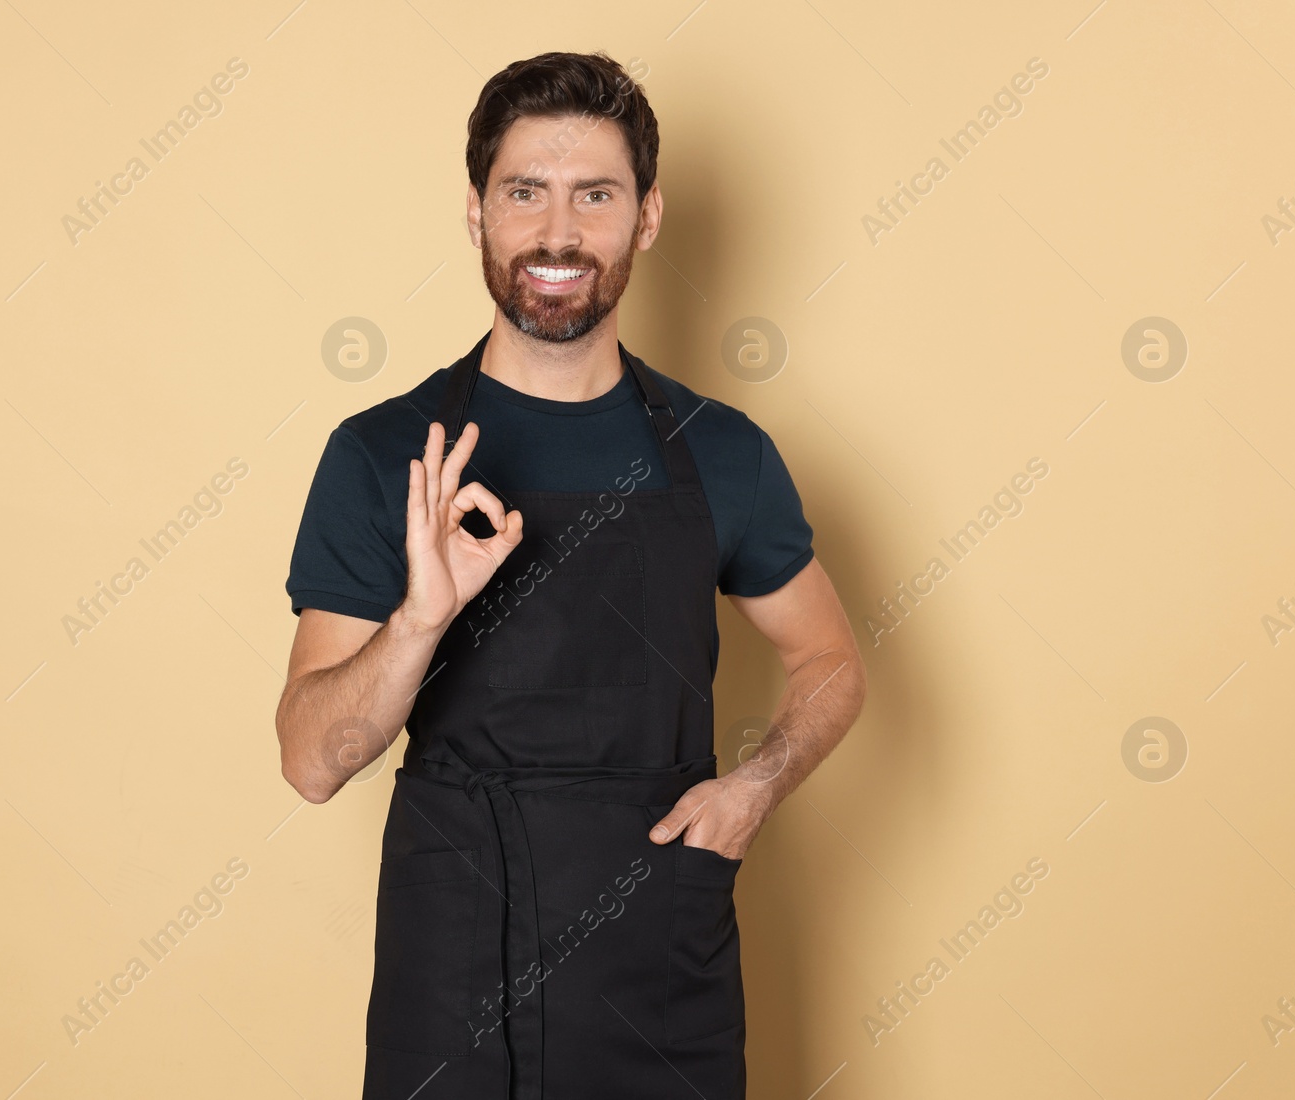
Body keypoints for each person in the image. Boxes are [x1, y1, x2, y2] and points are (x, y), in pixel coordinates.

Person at [277, 50, 865, 1100]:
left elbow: (828, 657)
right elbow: (314, 761)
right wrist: (420, 616)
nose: (557, 234)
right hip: (453, 951)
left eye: (594, 194)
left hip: (658, 950)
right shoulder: (382, 454)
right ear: (476, 213)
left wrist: (754, 787)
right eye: (524, 193)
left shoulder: (721, 451)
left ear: (645, 218)